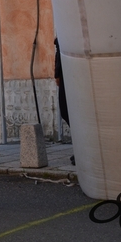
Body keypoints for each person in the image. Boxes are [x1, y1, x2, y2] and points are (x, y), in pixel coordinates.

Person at [55, 37, 74, 165]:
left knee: (69, 112)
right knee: (67, 112)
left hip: (69, 75)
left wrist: (57, 73)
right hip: (66, 75)